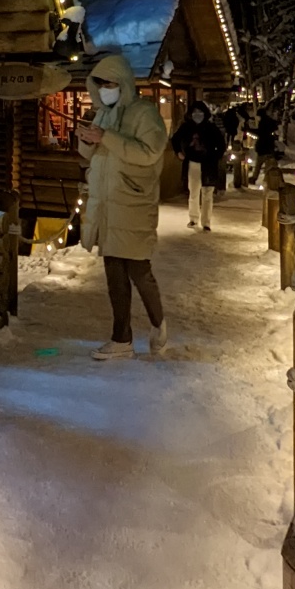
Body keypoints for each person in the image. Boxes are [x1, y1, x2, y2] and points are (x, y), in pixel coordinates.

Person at [75, 54, 168, 361]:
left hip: (133, 203)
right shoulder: (102, 114)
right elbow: (96, 157)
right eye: (100, 84)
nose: (105, 90)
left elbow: (150, 152)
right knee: (114, 272)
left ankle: (158, 322)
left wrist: (107, 138)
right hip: (107, 205)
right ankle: (121, 338)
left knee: (139, 271)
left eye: (111, 83)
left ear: (125, 84)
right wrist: (87, 140)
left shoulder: (144, 113)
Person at [171, 101, 225, 231]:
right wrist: (178, 152)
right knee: (193, 192)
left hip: (209, 164)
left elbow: (221, 144)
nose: (197, 115)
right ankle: (193, 219)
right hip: (192, 163)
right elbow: (175, 139)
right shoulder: (186, 127)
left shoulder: (211, 128)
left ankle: (206, 222)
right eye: (195, 112)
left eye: (200, 112)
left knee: (207, 193)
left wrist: (215, 156)